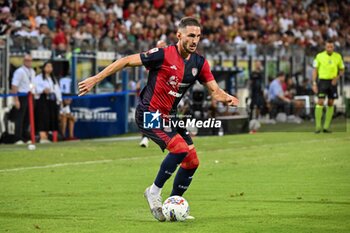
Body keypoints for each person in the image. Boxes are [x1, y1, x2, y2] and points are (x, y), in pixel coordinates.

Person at [78, 17, 239, 221]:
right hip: (150, 114)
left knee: (192, 161)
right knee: (180, 149)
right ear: (179, 35)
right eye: (191, 35)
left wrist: (227, 98)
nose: (195, 40)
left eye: (198, 36)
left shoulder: (199, 63)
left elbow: (215, 90)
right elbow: (126, 60)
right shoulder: (163, 55)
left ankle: (173, 206)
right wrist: (96, 79)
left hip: (170, 115)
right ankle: (153, 192)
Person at [139, 39, 167, 148]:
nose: (162, 48)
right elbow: (147, 66)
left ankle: (157, 136)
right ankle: (145, 137)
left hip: (168, 91)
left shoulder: (172, 58)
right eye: (160, 46)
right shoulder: (155, 57)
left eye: (164, 46)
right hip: (155, 89)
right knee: (150, 112)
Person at [312, 40, 345, 133]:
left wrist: (337, 78)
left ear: (333, 47)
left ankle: (326, 127)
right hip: (322, 81)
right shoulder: (319, 56)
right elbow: (315, 70)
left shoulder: (338, 57)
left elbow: (342, 69)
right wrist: (314, 83)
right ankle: (318, 126)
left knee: (330, 103)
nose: (329, 48)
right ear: (325, 47)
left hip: (333, 82)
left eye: (331, 47)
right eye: (328, 47)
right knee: (320, 102)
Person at [33, 61, 62, 143]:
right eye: (47, 66)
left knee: (51, 118)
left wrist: (59, 100)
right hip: (42, 100)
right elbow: (35, 88)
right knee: (42, 118)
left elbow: (57, 90)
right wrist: (42, 90)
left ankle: (51, 137)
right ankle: (42, 137)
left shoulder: (53, 79)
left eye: (50, 67)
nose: (49, 68)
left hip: (52, 100)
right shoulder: (38, 78)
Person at [10, 53, 36, 144]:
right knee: (20, 117)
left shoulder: (32, 71)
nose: (29, 62)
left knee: (28, 118)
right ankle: (18, 137)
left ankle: (25, 136)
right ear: (24, 61)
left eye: (30, 60)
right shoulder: (19, 71)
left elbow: (32, 83)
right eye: (27, 60)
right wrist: (16, 99)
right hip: (22, 96)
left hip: (30, 95)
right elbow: (14, 85)